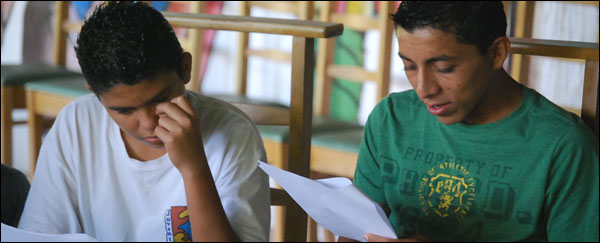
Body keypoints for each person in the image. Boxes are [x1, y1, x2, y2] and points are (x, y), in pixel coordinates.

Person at [344, 1, 599, 242]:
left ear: (497, 53)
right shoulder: (390, 119)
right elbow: (355, 230)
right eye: (409, 66)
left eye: (443, 67)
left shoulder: (562, 145)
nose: (424, 89)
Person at [18, 2, 270, 242]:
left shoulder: (234, 134)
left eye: (160, 100)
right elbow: (40, 233)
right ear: (96, 95)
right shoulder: (76, 125)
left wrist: (194, 169)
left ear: (185, 68)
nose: (149, 123)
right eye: (124, 111)